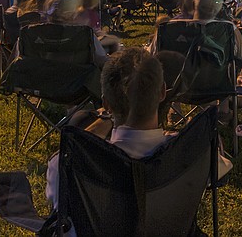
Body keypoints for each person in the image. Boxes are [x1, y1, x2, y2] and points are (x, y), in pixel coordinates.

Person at [46, 47, 171, 209]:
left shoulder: (67, 162)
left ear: (105, 104)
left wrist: (99, 126)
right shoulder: (192, 150)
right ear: (162, 92)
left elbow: (57, 204)